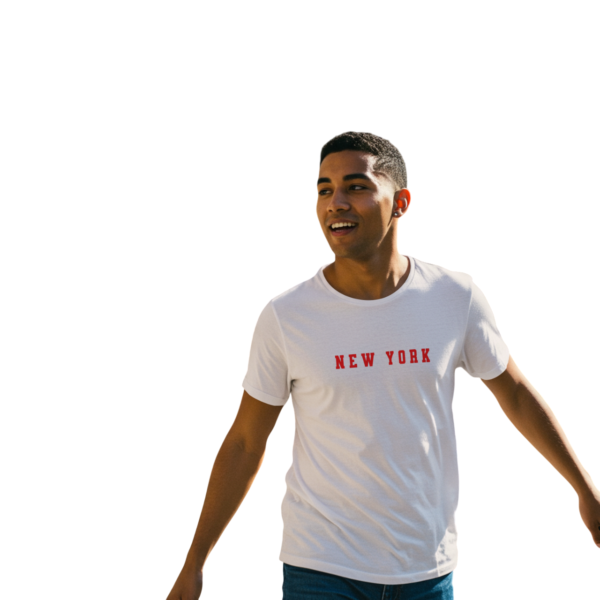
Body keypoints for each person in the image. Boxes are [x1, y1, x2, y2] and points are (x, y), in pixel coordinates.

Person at [166, 132, 600, 600]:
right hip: (321, 568)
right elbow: (245, 442)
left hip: (425, 570)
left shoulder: (454, 297)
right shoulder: (287, 317)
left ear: (401, 203)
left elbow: (514, 392)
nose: (336, 202)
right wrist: (195, 563)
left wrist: (585, 489)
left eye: (356, 187)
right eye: (324, 189)